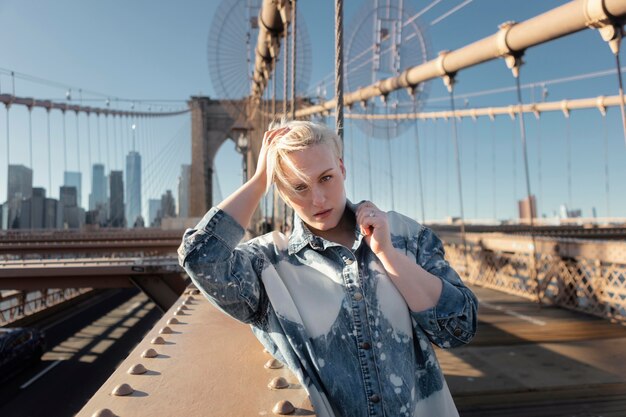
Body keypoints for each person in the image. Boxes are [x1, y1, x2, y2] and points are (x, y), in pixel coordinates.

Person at [178, 120, 478, 417]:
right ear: (281, 192)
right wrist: (259, 181)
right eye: (299, 187)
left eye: (326, 178)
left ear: (342, 168)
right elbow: (201, 258)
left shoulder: (404, 235)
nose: (317, 199)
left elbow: (459, 329)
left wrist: (388, 255)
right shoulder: (268, 264)